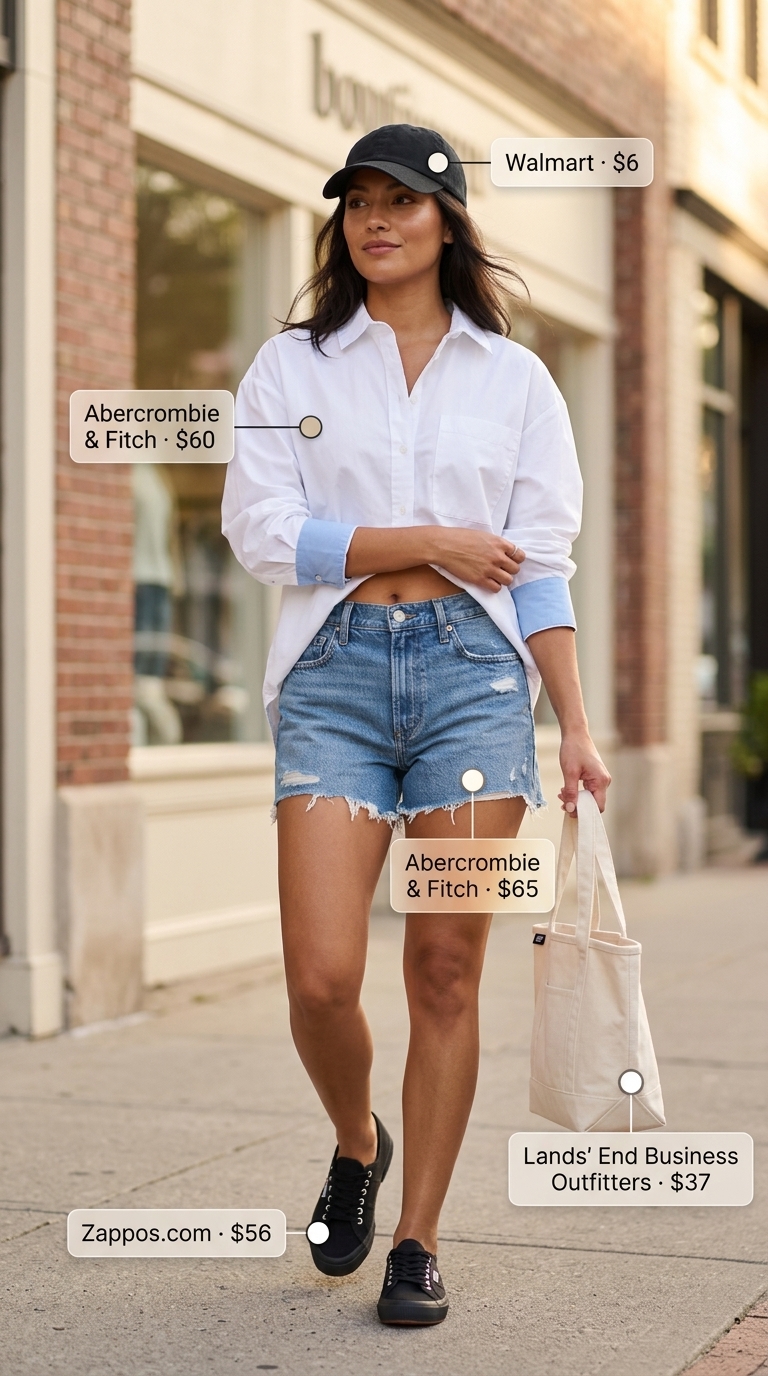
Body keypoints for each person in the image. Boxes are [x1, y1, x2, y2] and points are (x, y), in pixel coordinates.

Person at [222, 123, 611, 1326]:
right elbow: (262, 530)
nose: (377, 220)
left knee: (444, 965)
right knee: (322, 974)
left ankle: (419, 1238)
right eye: (359, 203)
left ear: (448, 221)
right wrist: (424, 539)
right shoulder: (292, 368)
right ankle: (358, 1133)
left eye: (403, 200)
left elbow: (541, 566)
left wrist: (579, 729)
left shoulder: (517, 379)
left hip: (475, 686)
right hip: (334, 677)